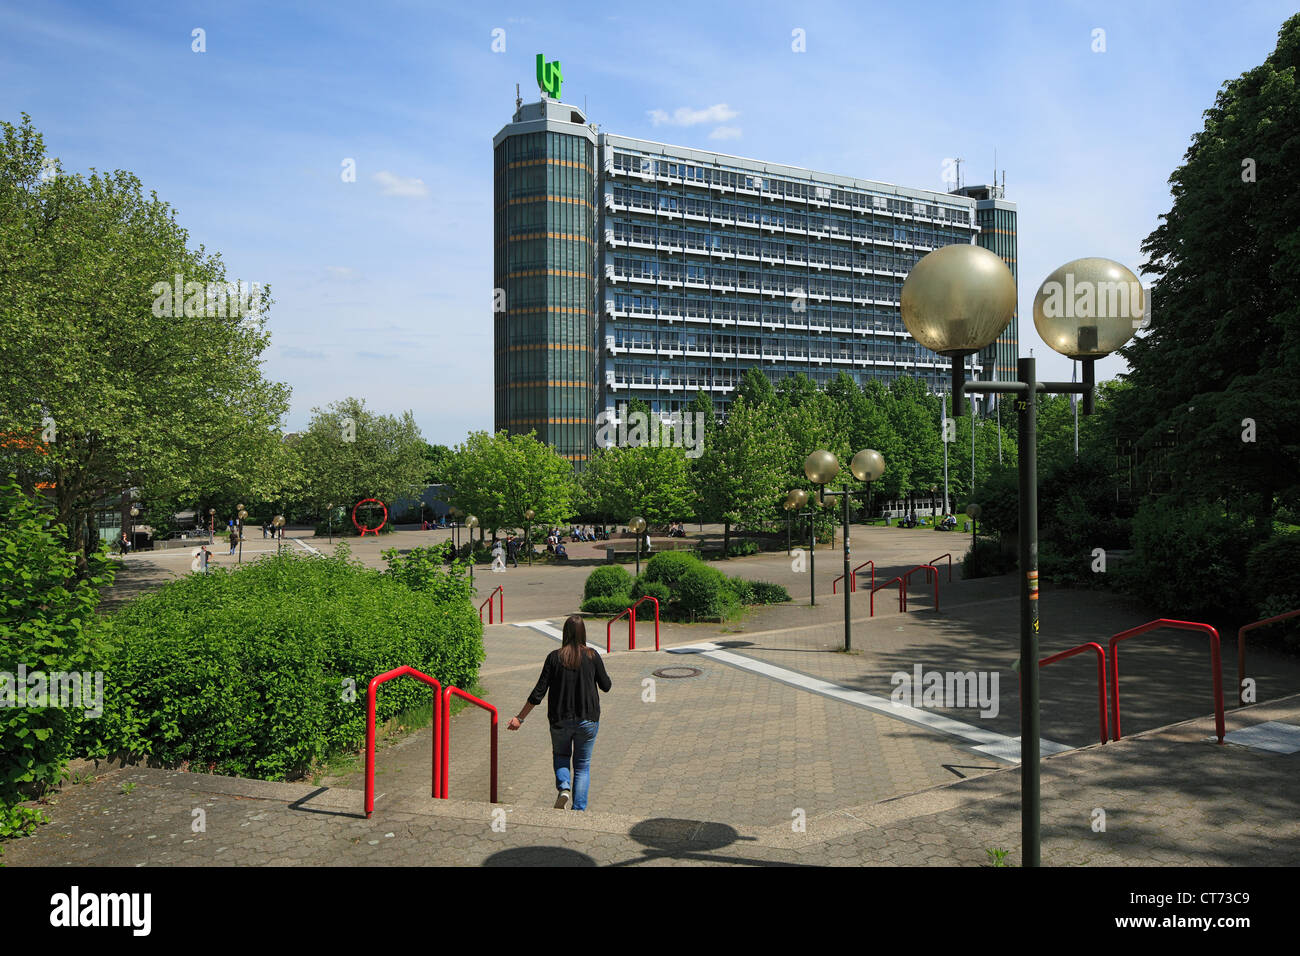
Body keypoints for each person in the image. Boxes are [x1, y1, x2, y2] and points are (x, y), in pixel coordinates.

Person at [507, 616, 612, 811]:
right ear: (583, 633)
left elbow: (538, 692)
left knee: (562, 756)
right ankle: (578, 809)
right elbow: (606, 686)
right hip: (588, 719)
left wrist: (519, 718)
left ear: (565, 633)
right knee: (582, 766)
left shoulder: (554, 657)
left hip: (559, 720)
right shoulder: (592, 655)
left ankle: (564, 788)